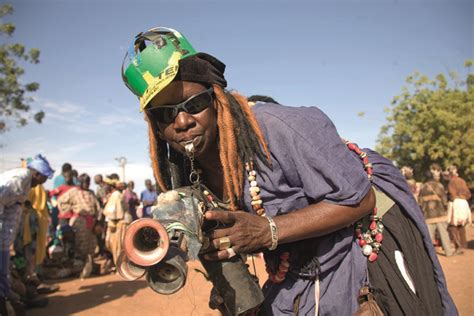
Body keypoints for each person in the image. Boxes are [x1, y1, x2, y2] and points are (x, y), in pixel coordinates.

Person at [121, 27, 457, 315]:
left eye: (194, 104)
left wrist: (267, 231)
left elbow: (361, 199)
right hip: (297, 261)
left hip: (364, 239)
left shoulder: (279, 127)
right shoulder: (188, 171)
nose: (182, 121)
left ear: (217, 97)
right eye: (165, 114)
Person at [0, 154, 54, 315]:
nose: (42, 183)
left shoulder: (25, 181)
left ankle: (8, 298)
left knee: (3, 272)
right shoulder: (20, 178)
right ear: (37, 173)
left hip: (3, 240)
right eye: (43, 178)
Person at [57, 174, 100, 278]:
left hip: (92, 220)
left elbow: (97, 207)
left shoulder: (91, 193)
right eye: (86, 182)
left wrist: (98, 221)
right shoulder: (74, 192)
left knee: (91, 244)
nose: (87, 184)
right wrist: (69, 211)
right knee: (80, 245)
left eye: (89, 182)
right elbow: (61, 201)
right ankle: (78, 269)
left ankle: (88, 267)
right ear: (80, 182)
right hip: (80, 221)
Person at [419, 164, 454, 256]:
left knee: (429, 237)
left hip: (428, 216)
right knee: (444, 234)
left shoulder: (422, 188)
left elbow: (420, 203)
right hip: (440, 214)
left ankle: (430, 254)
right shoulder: (439, 186)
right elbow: (444, 201)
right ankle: (448, 252)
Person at [102, 177, 130, 266]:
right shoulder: (114, 195)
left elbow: (114, 212)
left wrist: (111, 222)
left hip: (119, 225)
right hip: (118, 223)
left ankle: (121, 267)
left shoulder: (116, 195)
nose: (104, 187)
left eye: (105, 185)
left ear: (110, 186)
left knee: (118, 247)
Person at [446, 165, 471, 253]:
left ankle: (458, 246)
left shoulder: (451, 182)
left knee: (453, 226)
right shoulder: (462, 181)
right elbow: (468, 194)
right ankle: (464, 245)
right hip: (464, 203)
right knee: (461, 225)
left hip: (456, 203)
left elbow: (451, 194)